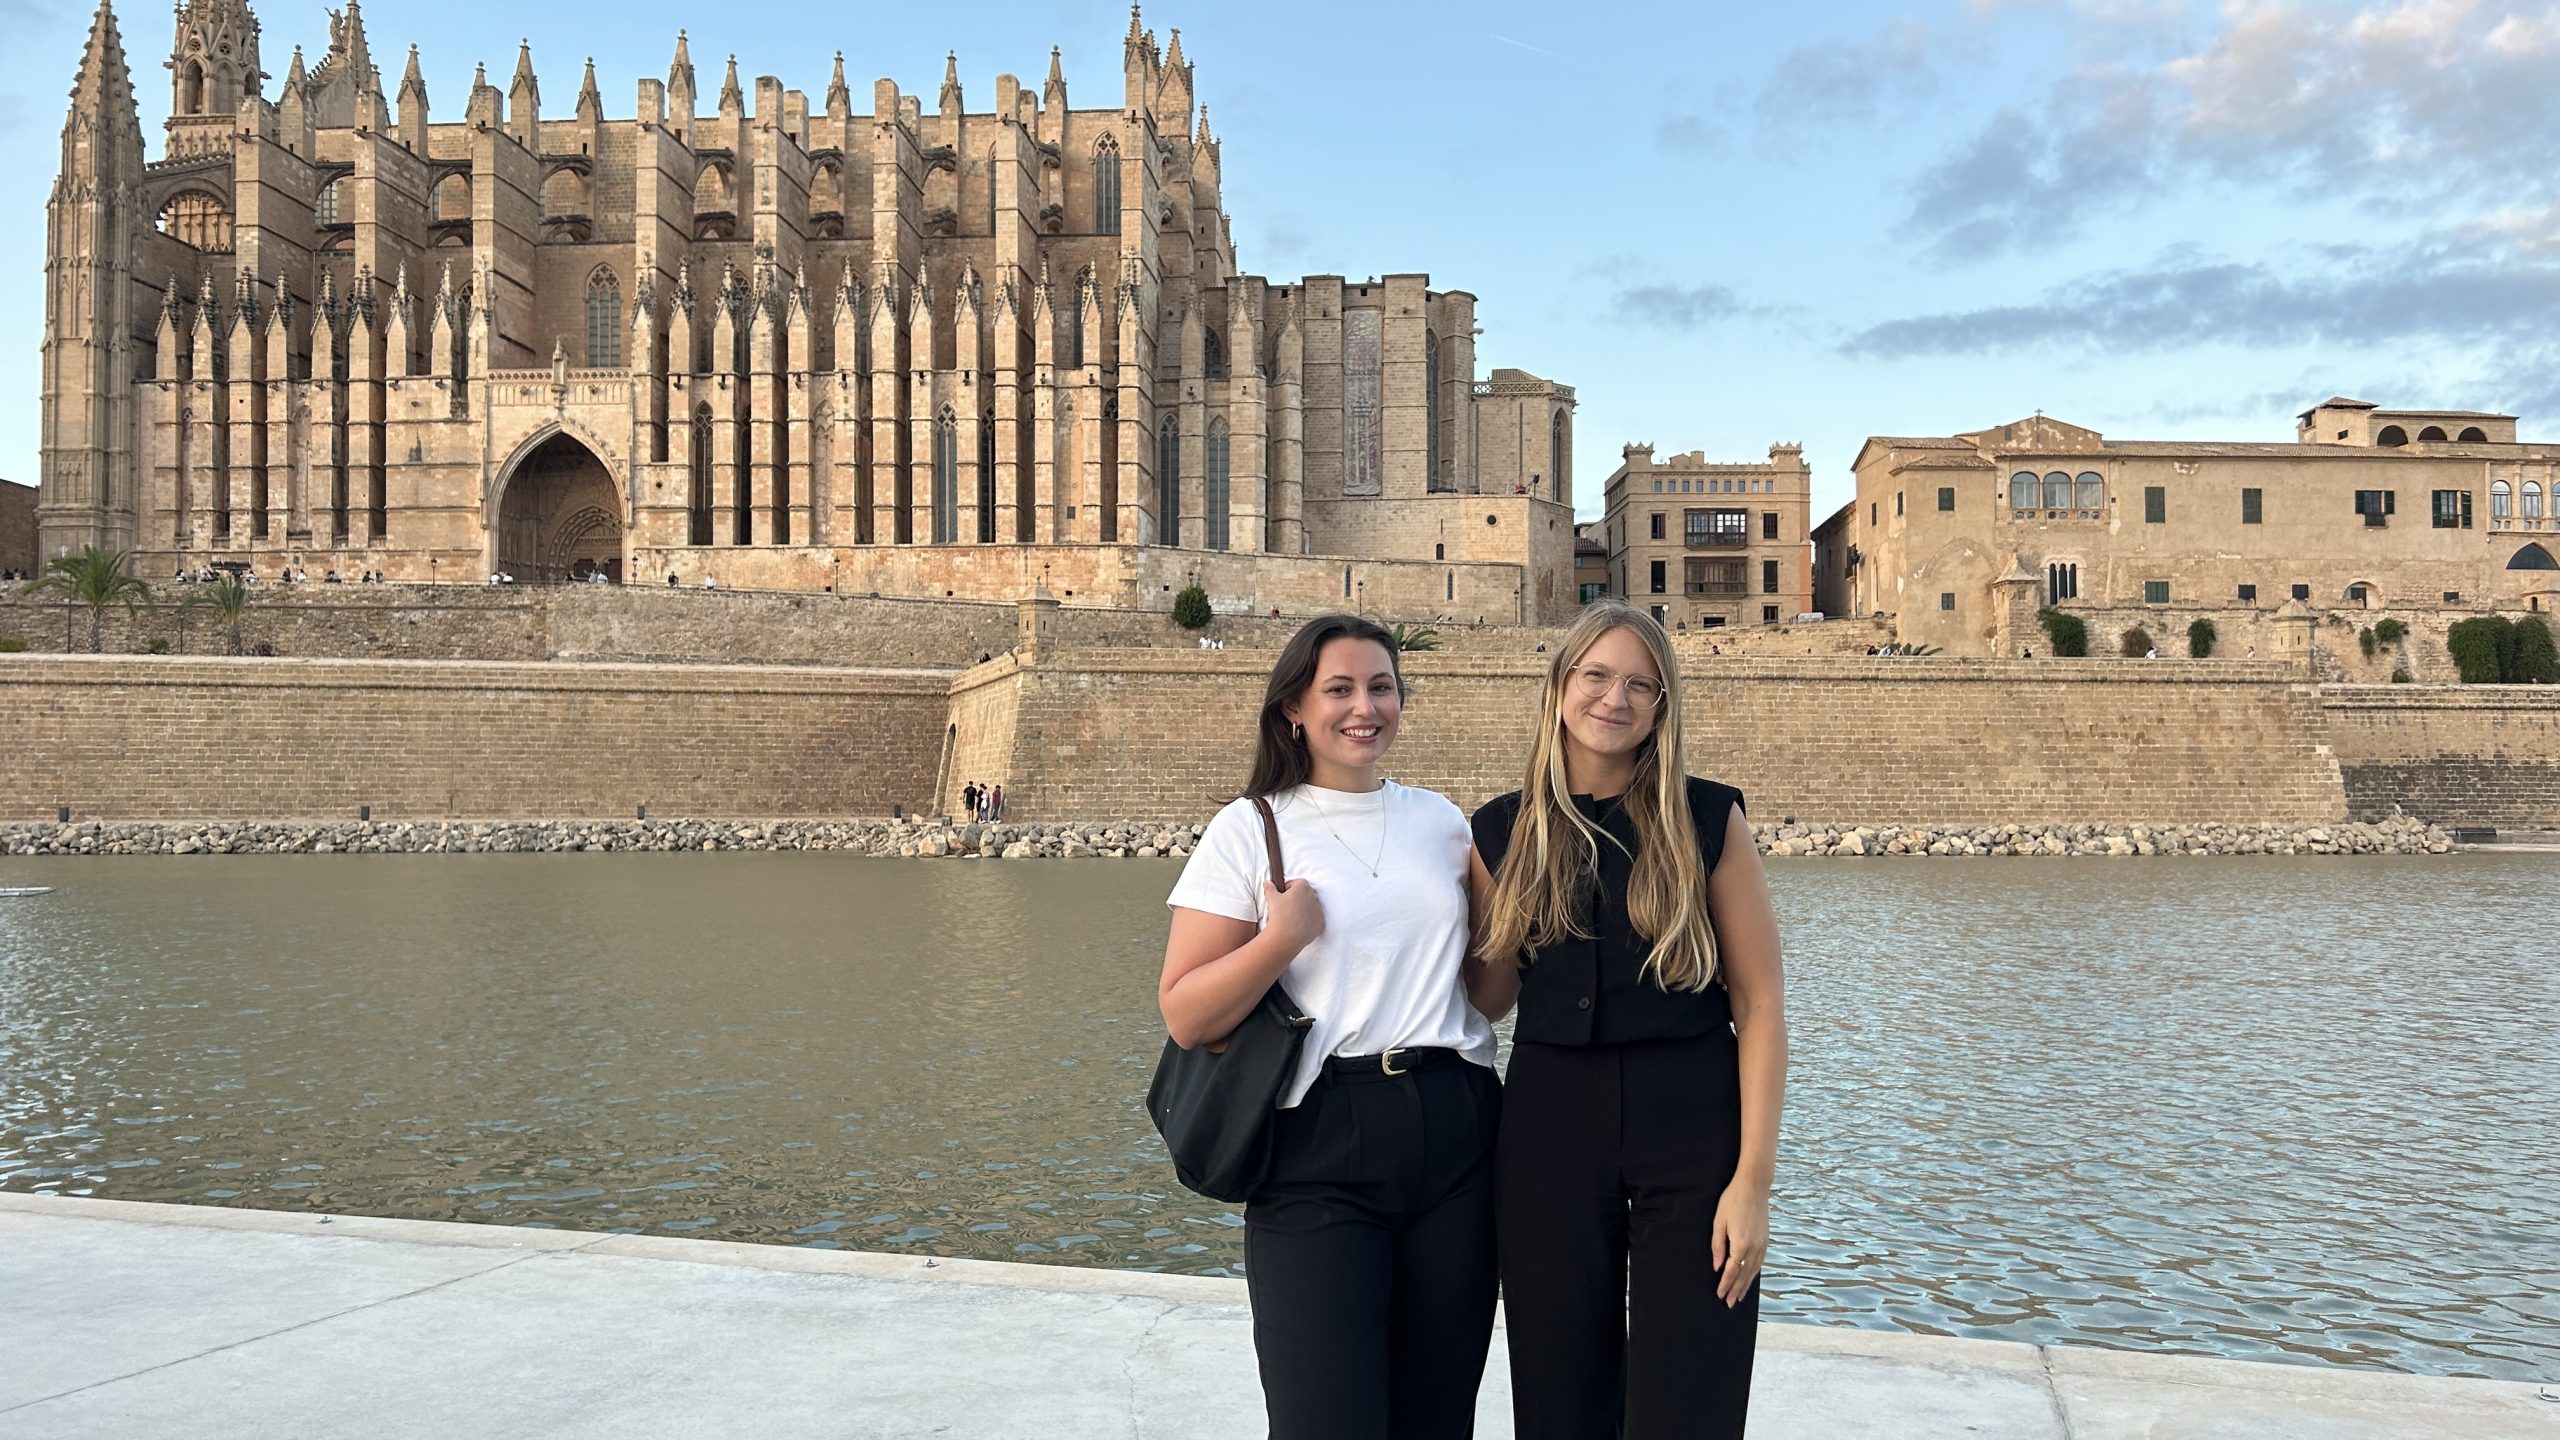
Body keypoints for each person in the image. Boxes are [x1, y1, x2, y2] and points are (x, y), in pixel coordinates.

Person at [1159, 613, 1501, 1440]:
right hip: (1318, 1142)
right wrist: (1280, 941)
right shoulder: (1251, 828)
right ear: (1294, 710)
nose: (1364, 707)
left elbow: (1485, 997)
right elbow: (1186, 1012)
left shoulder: (1446, 824)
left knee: (1437, 1415)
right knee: (1325, 1419)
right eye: (1339, 689)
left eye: (1381, 687)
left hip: (1458, 1124)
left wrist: (1525, 922)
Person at [1467, 600, 1788, 1440]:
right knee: (1557, 1389)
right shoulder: (1500, 829)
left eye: (1640, 684)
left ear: (1661, 707)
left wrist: (1752, 1185)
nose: (1615, 699)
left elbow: (1758, 1007)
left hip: (1690, 1125)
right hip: (1547, 1128)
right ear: (1561, 685)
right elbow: (1489, 997)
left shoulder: (1709, 819)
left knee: (1691, 1393)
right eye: (1598, 676)